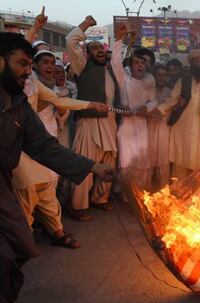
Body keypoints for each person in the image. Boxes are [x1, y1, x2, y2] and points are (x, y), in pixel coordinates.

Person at [0, 32, 114, 303]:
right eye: (23, 64)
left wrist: (93, 167)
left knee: (23, 246)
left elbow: (45, 147)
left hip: (1, 189)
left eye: (30, 65)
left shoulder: (19, 106)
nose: (29, 72)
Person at [66, 15, 118, 221]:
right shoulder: (82, 66)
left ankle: (100, 198)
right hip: (88, 122)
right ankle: (77, 205)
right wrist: (86, 24)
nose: (99, 50)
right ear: (86, 54)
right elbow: (71, 41)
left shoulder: (112, 71)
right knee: (85, 164)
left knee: (108, 162)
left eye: (101, 48)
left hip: (108, 124)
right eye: (94, 47)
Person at [154, 49, 200, 178]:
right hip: (183, 127)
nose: (199, 64)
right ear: (191, 63)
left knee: (199, 161)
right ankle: (177, 194)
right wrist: (159, 108)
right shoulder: (183, 81)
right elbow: (172, 99)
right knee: (181, 160)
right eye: (196, 62)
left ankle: (195, 195)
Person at [112, 25, 156, 190]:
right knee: (126, 161)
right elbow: (115, 62)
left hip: (142, 126)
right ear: (131, 65)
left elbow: (154, 101)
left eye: (142, 63)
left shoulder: (149, 79)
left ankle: (142, 193)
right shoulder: (124, 77)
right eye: (136, 62)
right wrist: (118, 40)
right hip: (126, 126)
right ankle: (128, 194)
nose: (139, 65)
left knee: (143, 161)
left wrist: (147, 108)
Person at [148, 64, 172, 189]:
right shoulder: (149, 91)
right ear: (154, 76)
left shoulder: (171, 93)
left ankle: (163, 189)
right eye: (159, 75)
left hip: (164, 129)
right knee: (149, 158)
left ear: (167, 77)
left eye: (164, 75)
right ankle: (148, 190)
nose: (161, 77)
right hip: (149, 129)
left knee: (163, 160)